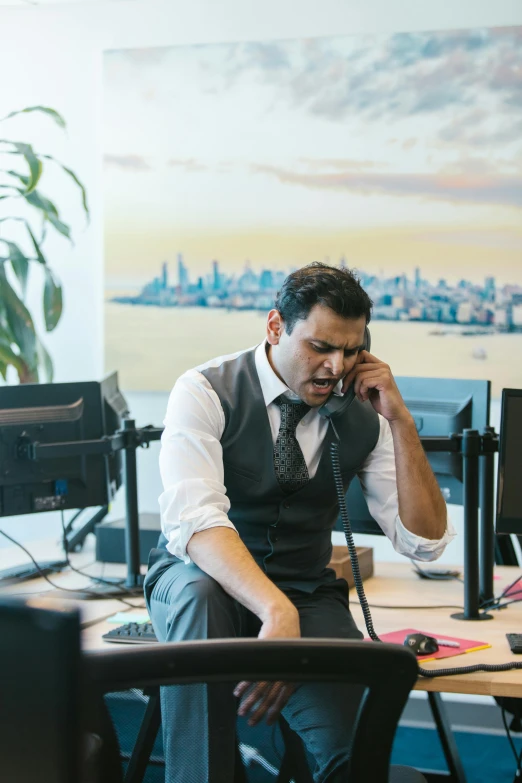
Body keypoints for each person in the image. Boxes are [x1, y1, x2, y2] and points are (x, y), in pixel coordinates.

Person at [144, 262, 455, 782]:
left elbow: (424, 544)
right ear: (275, 327)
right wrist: (274, 609)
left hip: (305, 589)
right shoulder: (203, 391)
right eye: (320, 347)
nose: (336, 366)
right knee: (202, 601)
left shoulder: (363, 416)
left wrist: (399, 421)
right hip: (200, 582)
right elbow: (195, 521)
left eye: (352, 350)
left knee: (351, 754)